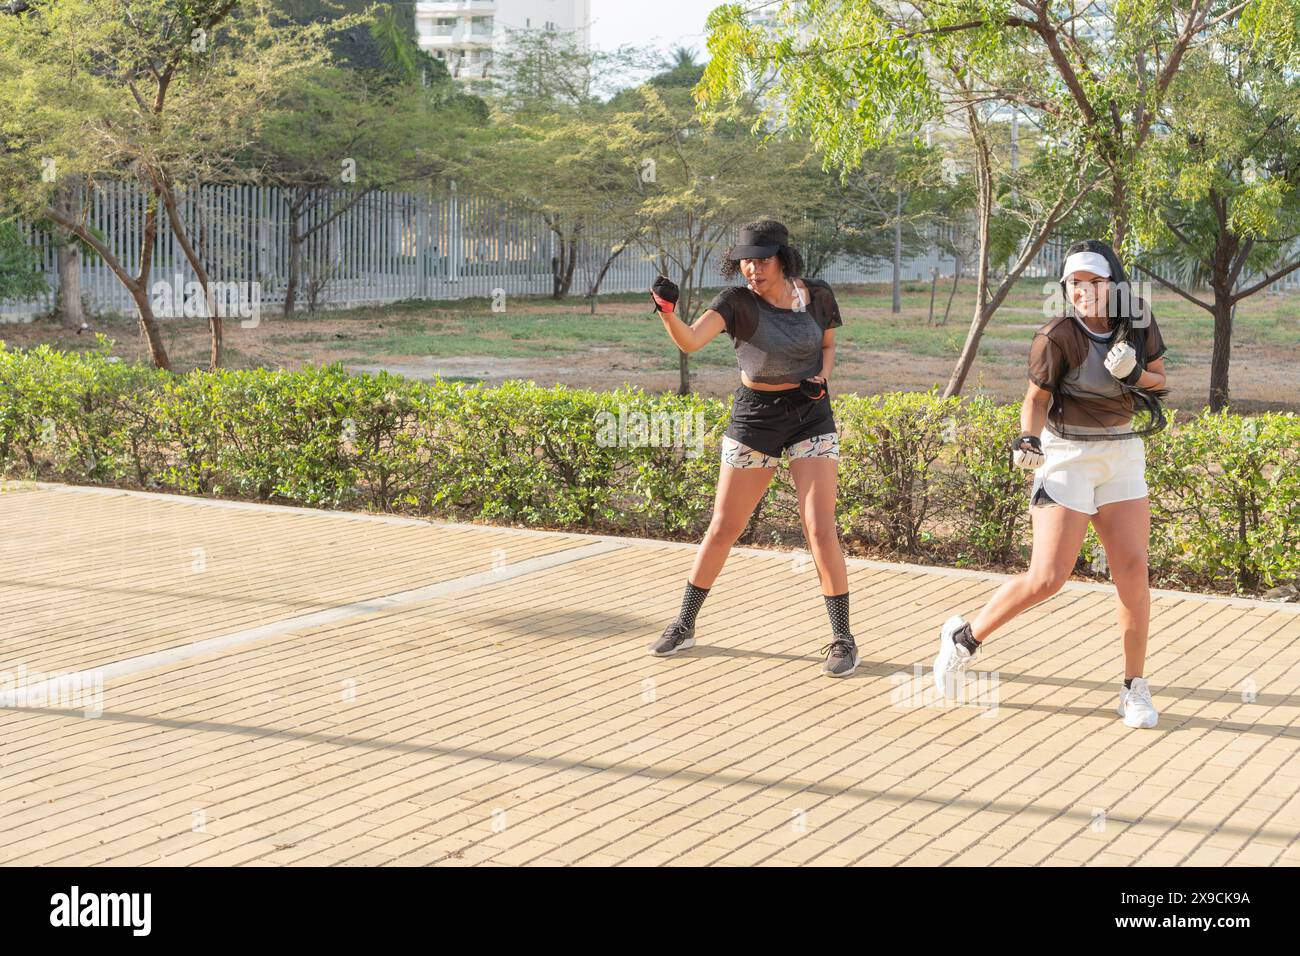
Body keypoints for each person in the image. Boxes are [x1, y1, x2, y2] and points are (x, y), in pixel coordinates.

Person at [932, 239, 1170, 727]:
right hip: (1068, 457)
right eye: (1074, 284)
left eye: (1093, 283)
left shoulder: (1138, 320)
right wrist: (1027, 439)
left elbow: (1162, 382)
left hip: (1123, 454)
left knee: (1132, 571)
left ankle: (1134, 688)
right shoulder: (1056, 335)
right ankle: (965, 637)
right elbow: (1036, 399)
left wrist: (1136, 373)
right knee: (1048, 577)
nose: (1082, 292)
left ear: (1114, 285)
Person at [644, 219, 858, 677]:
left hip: (810, 413)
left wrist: (824, 375)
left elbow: (827, 343)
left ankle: (842, 638)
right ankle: (684, 623)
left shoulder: (817, 294)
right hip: (755, 416)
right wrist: (666, 311)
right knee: (724, 526)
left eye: (761, 260)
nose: (752, 269)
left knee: (820, 527)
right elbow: (691, 341)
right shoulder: (735, 302)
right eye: (745, 261)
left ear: (783, 259)